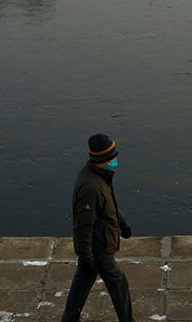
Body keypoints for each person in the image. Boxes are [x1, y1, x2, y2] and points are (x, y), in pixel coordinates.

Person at [60, 134, 134, 322]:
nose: (116, 161)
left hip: (99, 243)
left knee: (82, 284)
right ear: (103, 160)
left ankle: (69, 319)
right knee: (119, 284)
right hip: (98, 247)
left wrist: (122, 223)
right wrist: (87, 257)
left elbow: (108, 208)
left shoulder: (100, 177)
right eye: (113, 158)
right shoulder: (91, 188)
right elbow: (83, 227)